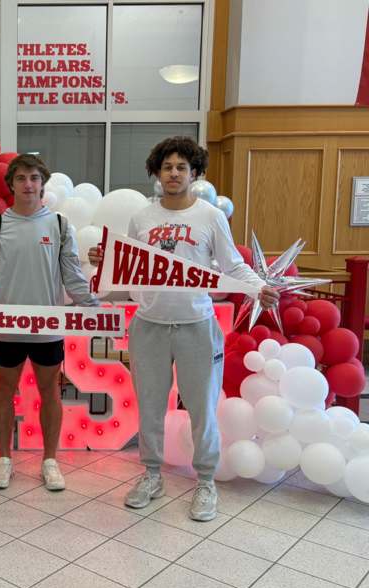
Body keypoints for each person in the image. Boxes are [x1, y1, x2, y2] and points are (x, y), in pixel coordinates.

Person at [89, 136, 279, 521]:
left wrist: (259, 286)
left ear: (194, 174)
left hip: (196, 326)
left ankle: (205, 480)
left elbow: (231, 265)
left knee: (203, 407)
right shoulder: (143, 216)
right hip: (149, 326)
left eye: (181, 167)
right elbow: (129, 266)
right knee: (152, 406)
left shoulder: (210, 216)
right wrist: (104, 260)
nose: (173, 173)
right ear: (157, 174)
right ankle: (152, 474)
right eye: (167, 167)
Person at [0, 154, 98, 492]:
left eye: (34, 178)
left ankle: (50, 460)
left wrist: (94, 306)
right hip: (8, 328)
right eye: (22, 178)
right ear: (11, 184)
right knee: (4, 392)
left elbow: (72, 275)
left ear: (43, 183)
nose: (28, 184)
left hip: (47, 329)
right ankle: (4, 459)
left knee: (50, 392)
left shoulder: (59, 225)